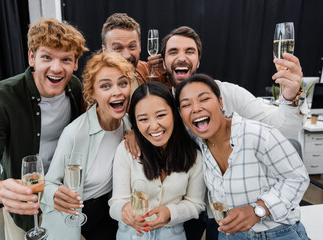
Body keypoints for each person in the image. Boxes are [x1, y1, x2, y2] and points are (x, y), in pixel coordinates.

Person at [0, 18, 87, 239]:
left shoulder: (75, 87)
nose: (57, 68)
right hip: (26, 209)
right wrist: (1, 191)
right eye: (47, 57)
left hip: (64, 199)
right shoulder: (1, 97)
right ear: (32, 57)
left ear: (76, 63)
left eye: (66, 59)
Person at [175, 73, 310, 240]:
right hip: (230, 235)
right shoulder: (195, 142)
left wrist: (259, 209)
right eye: (186, 105)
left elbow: (297, 178)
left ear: (220, 102)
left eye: (204, 99)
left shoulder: (259, 134)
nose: (196, 108)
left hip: (277, 234)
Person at [40, 51, 135, 240]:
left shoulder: (128, 124)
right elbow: (48, 184)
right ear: (92, 92)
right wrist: (55, 195)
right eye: (106, 86)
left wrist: (136, 135)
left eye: (122, 83)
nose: (117, 91)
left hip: (109, 210)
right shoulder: (75, 133)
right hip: (75, 215)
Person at [160, 26, 308, 138]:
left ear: (198, 61)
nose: (181, 58)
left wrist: (290, 97)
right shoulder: (160, 104)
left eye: (189, 51)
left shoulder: (229, 93)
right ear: (164, 64)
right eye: (173, 52)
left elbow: (285, 128)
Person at [109, 82, 205, 240]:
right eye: (143, 119)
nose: (154, 126)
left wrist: (170, 213)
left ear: (174, 113)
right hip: (132, 235)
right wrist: (124, 209)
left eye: (161, 115)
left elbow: (196, 204)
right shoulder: (126, 151)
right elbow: (115, 203)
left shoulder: (193, 155)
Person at [101, 12, 171, 95]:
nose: (127, 56)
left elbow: (174, 94)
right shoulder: (95, 83)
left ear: (139, 47)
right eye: (118, 48)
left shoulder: (146, 70)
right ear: (104, 51)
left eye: (132, 47)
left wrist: (166, 72)